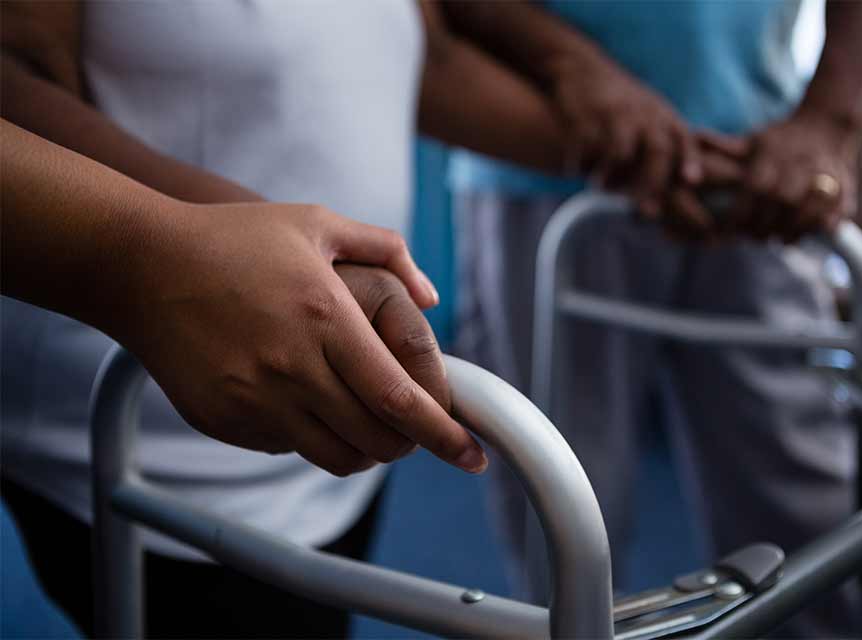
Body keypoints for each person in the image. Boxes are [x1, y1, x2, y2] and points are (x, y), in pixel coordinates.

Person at [0, 1, 586, 636]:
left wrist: (627, 148)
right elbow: (14, 79)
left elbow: (422, 57)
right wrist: (206, 252)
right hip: (154, 425)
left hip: (323, 388)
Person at [442, 1, 862, 637]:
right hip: (541, 175)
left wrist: (830, 116)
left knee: (810, 522)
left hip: (759, 178)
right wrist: (572, 66)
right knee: (561, 515)